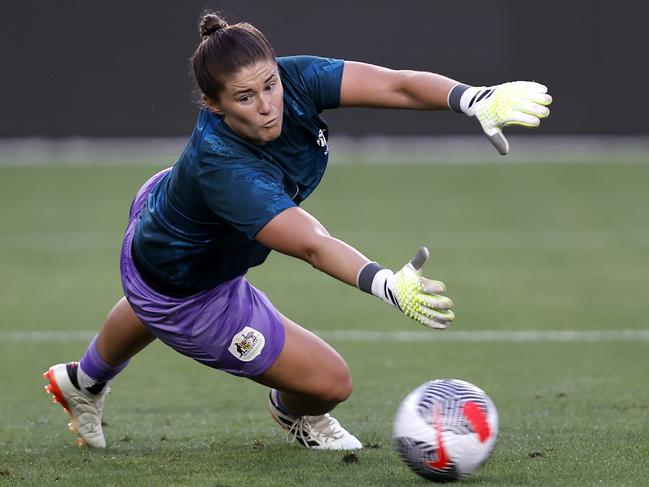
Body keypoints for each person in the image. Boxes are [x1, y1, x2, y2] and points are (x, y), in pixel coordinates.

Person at [43, 12, 552, 450]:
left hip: (162, 223)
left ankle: (83, 381)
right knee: (331, 383)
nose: (268, 105)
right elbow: (310, 243)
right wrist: (385, 284)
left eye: (269, 84)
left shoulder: (295, 79)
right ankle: (295, 414)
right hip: (190, 289)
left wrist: (472, 98)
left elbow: (396, 84)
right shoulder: (223, 166)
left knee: (152, 288)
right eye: (245, 97)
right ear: (213, 104)